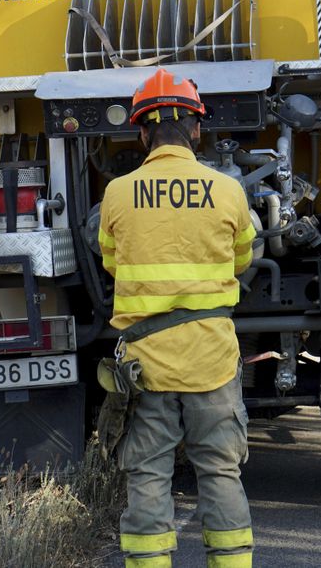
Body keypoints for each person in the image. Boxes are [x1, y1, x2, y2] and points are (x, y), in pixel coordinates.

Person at [98, 68, 256, 567]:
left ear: (142, 133)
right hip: (211, 359)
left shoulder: (118, 194)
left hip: (147, 368)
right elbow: (242, 260)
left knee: (147, 476)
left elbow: (111, 262)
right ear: (196, 129)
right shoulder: (228, 191)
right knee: (221, 475)